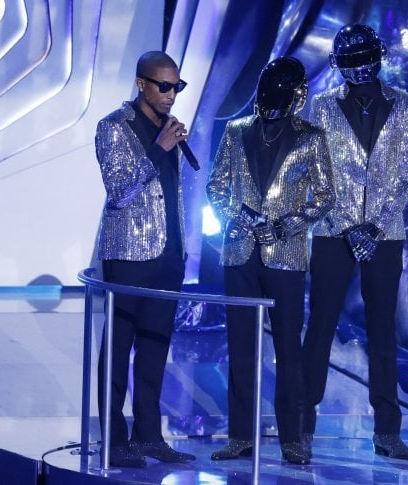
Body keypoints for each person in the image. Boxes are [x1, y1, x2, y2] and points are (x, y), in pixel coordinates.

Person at [206, 57, 335, 465]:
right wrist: (239, 217)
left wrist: (283, 226)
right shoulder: (236, 130)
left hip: (287, 254)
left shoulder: (312, 136)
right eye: (297, 89)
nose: (300, 96)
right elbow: (216, 186)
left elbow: (325, 196)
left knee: (288, 350)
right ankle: (241, 436)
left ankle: (292, 438)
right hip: (240, 251)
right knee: (240, 346)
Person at [301, 24, 408, 460]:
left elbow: (407, 170)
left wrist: (375, 226)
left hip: (385, 236)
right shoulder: (322, 105)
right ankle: (302, 425)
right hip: (334, 232)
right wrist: (350, 224)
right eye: (349, 61)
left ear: (379, 56)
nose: (359, 68)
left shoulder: (405, 106)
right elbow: (316, 170)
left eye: (364, 58)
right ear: (338, 65)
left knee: (383, 331)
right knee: (321, 326)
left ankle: (388, 432)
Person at [94, 51, 197, 468]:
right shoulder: (113, 128)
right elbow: (120, 189)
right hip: (129, 256)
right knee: (119, 349)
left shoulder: (167, 129)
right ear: (142, 85)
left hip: (168, 255)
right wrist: (159, 149)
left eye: (177, 86)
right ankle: (113, 440)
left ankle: (149, 436)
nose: (172, 95)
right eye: (165, 86)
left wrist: (168, 144)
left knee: (155, 348)